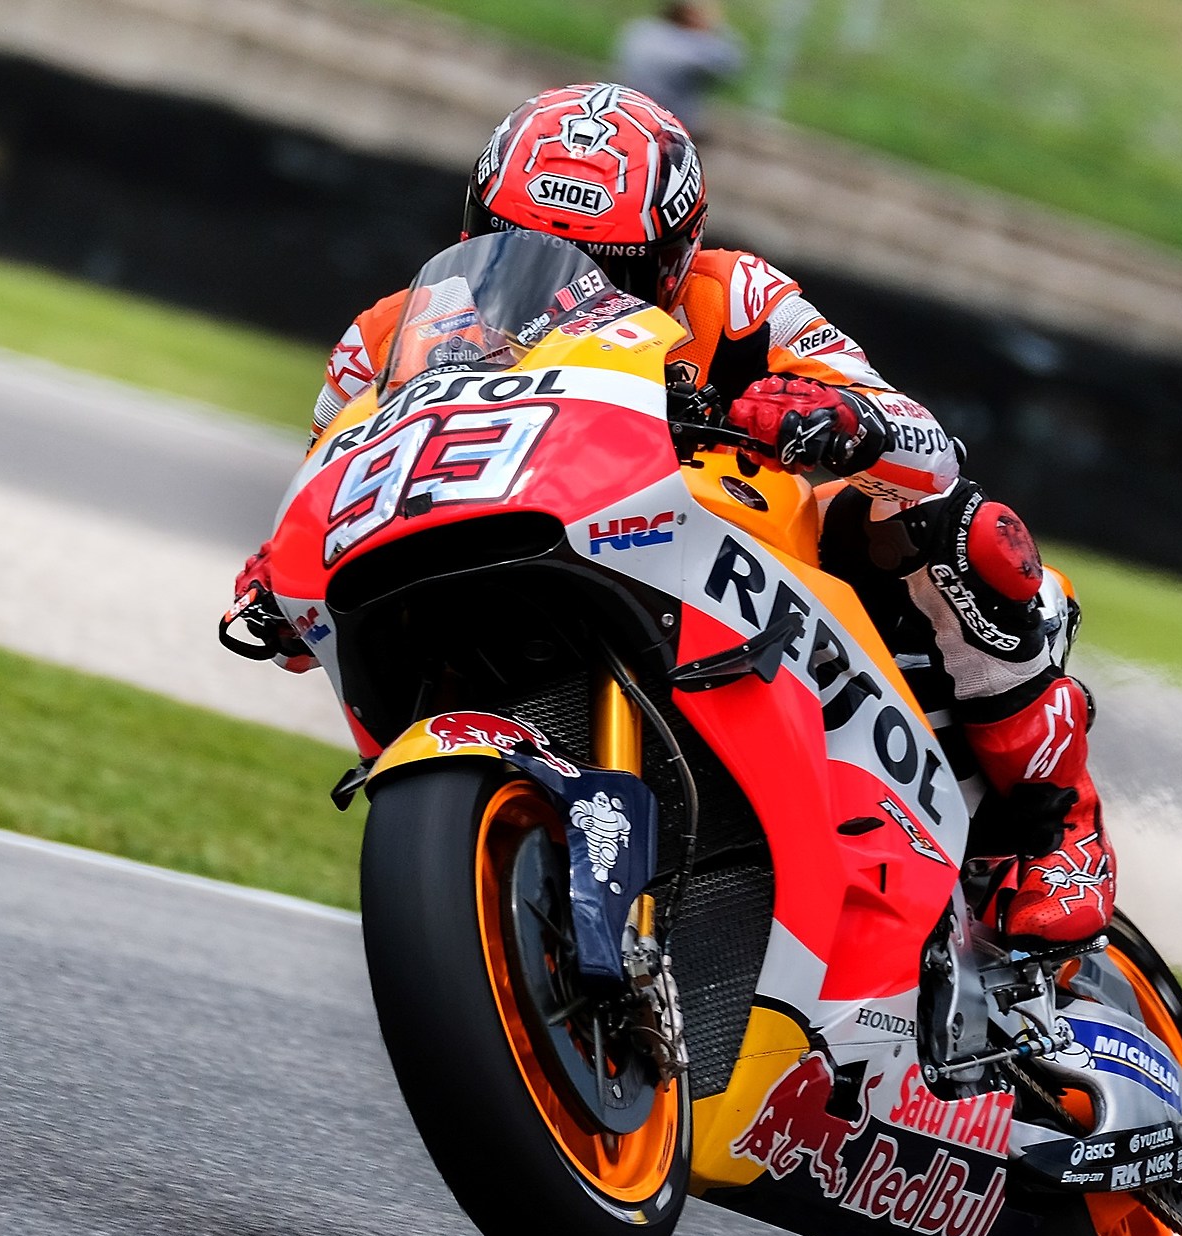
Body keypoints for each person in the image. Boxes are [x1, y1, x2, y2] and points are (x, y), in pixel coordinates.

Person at [229, 83, 1114, 946]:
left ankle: (1058, 830)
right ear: (474, 229)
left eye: (611, 272)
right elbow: (331, 473)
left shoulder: (738, 300)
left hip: (735, 556)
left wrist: (834, 417)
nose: (563, 288)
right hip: (515, 546)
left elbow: (925, 448)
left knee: (959, 531)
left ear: (673, 257)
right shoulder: (386, 337)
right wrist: (275, 575)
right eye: (515, 244)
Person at [612, 1, 746, 131]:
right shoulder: (691, 46)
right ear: (691, 15)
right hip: (669, 123)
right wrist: (716, 27)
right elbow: (731, 64)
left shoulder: (640, 30)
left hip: (628, 109)